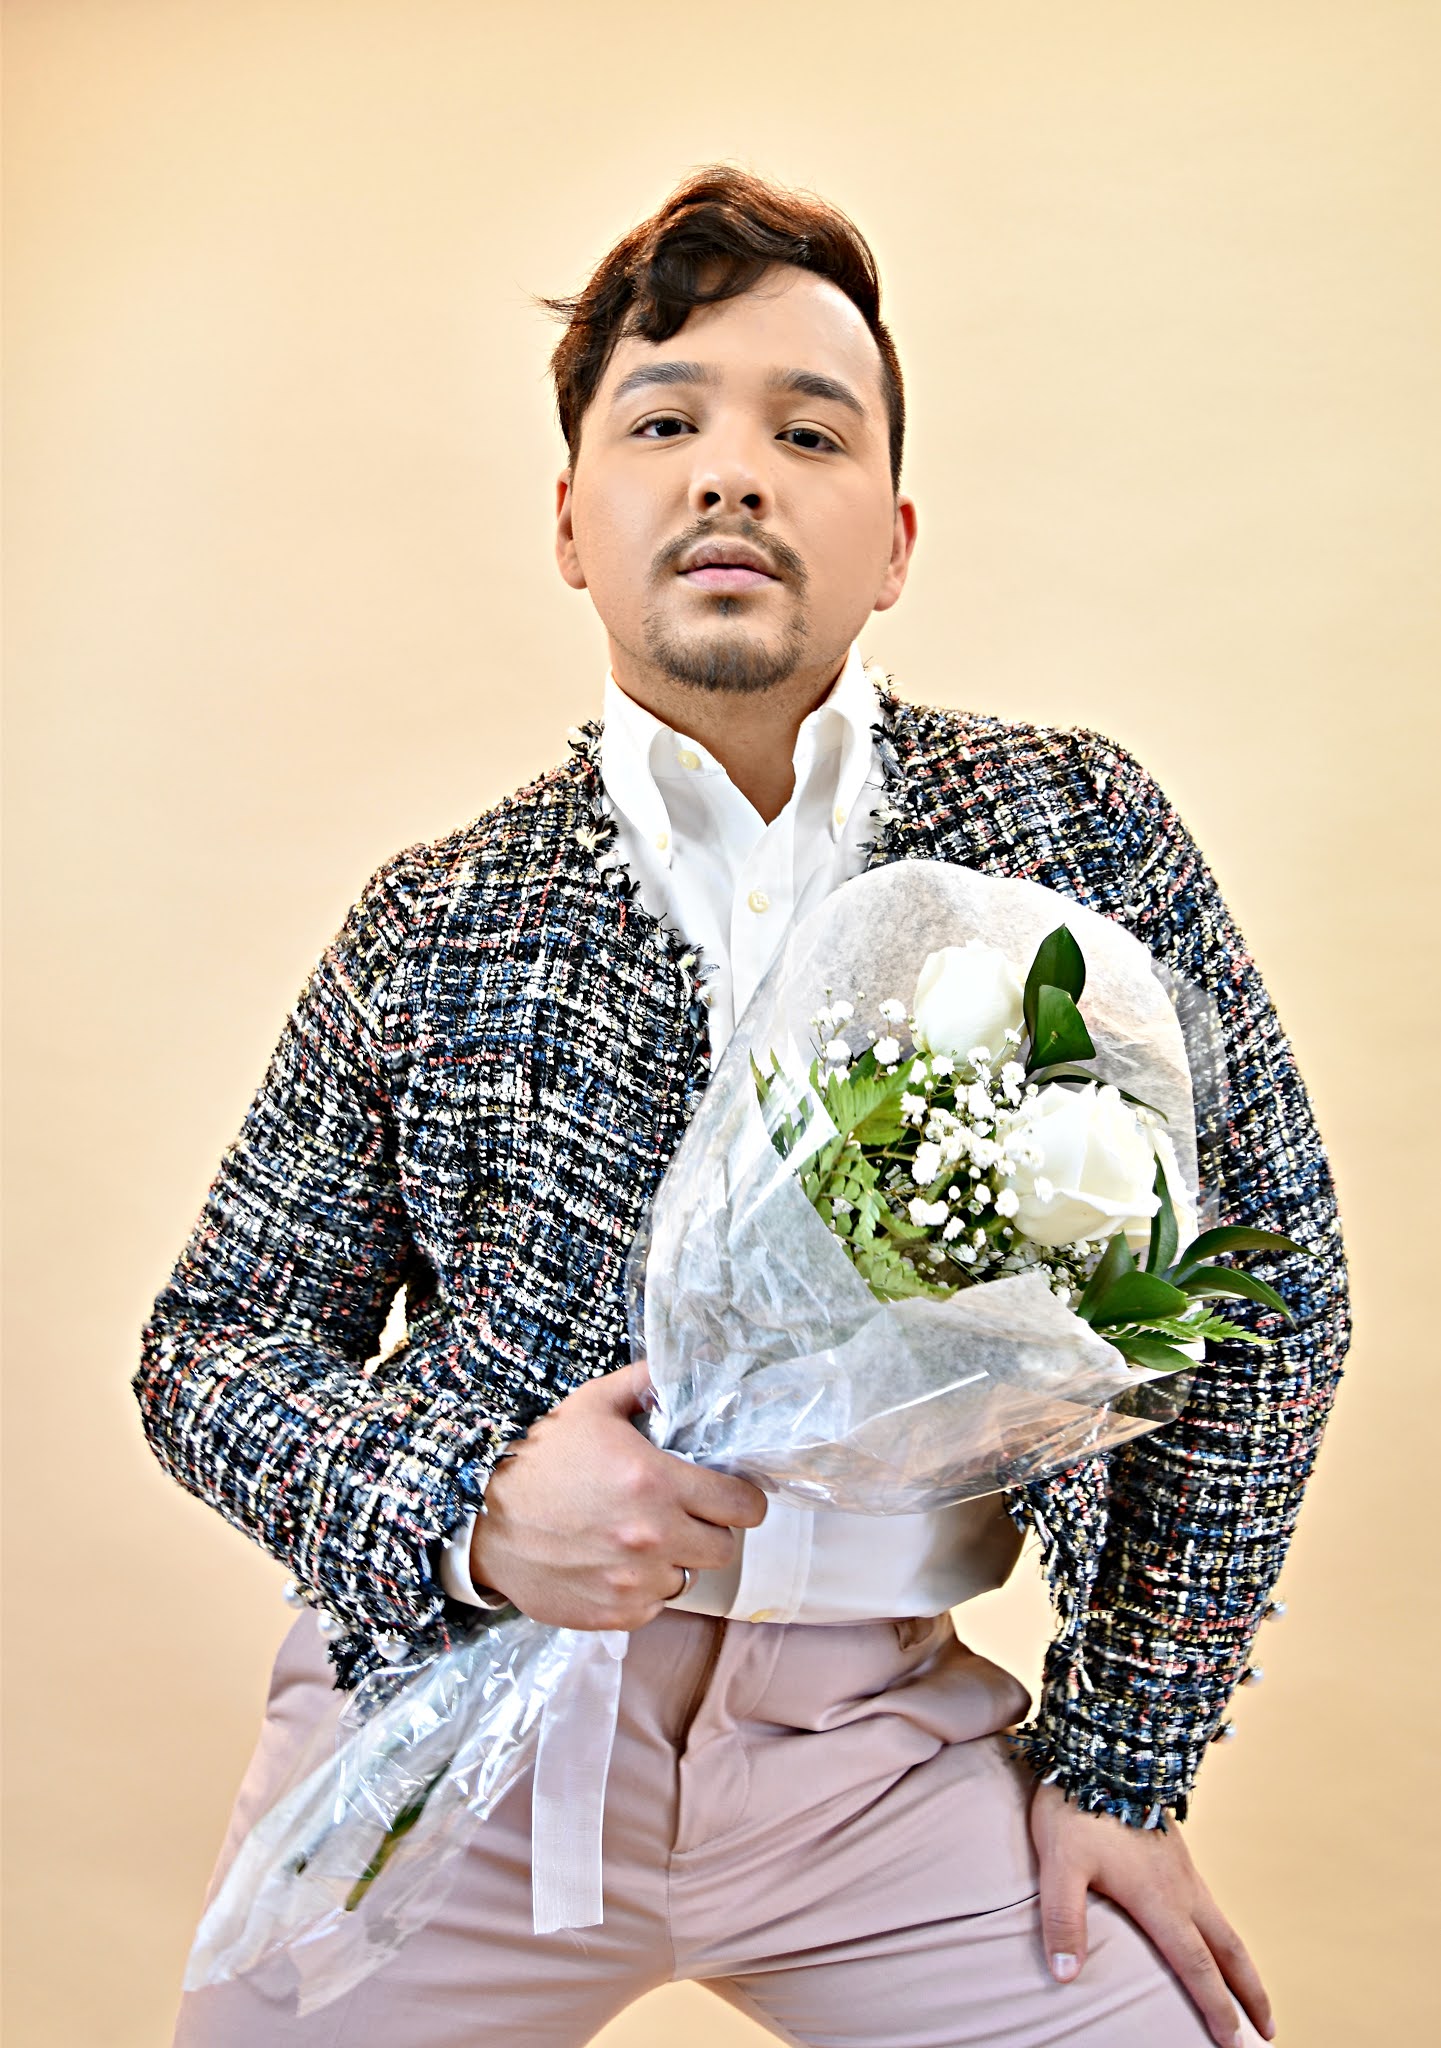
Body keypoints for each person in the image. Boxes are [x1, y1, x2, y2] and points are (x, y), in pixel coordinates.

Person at [135, 165, 1350, 2048]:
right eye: (662, 424)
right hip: (449, 1741)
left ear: (894, 537)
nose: (731, 477)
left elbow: (1271, 1292)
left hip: (885, 1758)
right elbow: (211, 1349)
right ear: (569, 521)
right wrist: (473, 1508)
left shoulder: (1076, 838)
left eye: (808, 432)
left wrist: (1126, 1758)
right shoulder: (432, 919)